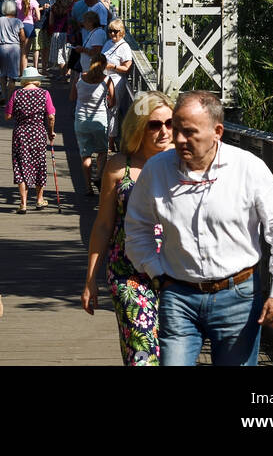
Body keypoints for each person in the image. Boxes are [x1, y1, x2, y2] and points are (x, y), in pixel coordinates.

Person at [125, 90, 273, 367]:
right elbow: (137, 228)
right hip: (179, 295)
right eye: (177, 129)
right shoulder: (157, 170)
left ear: (217, 131)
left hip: (238, 296)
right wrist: (157, 272)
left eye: (190, 132)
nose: (179, 139)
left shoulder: (247, 168)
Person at [81, 93, 174, 365]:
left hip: (177, 272)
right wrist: (90, 280)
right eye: (154, 125)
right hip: (128, 273)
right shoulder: (119, 166)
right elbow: (103, 225)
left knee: (173, 354)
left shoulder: (184, 164)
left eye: (170, 123)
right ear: (138, 127)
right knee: (142, 353)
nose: (164, 131)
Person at [5, 67, 55, 213]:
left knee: (21, 165)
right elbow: (51, 116)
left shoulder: (16, 94)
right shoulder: (45, 94)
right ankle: (39, 199)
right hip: (38, 132)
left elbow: (7, 116)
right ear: (37, 80)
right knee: (39, 164)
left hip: (21, 133)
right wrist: (51, 132)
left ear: (24, 80)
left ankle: (23, 203)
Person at [71, 49, 115, 196]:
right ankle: (98, 177)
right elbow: (112, 102)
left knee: (86, 155)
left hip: (81, 120)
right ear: (104, 65)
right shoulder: (107, 81)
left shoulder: (80, 77)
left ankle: (88, 186)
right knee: (102, 152)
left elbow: (72, 97)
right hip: (99, 120)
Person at [0, 0, 25, 103]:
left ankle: (4, 97)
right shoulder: (18, 21)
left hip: (2, 47)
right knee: (13, 76)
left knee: (3, 74)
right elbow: (23, 38)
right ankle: (10, 100)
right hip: (14, 48)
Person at [102, 20, 133, 135]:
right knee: (103, 109)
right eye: (110, 31)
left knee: (112, 109)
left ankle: (110, 140)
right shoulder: (108, 43)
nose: (112, 34)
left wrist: (112, 66)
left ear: (121, 32)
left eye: (115, 31)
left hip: (116, 81)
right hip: (104, 79)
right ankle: (102, 139)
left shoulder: (125, 47)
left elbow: (127, 68)